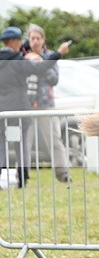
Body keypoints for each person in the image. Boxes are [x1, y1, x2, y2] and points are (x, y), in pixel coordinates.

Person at [0, 26, 54, 188]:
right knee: (20, 143)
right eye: (18, 41)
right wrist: (56, 55)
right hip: (19, 108)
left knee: (1, 143)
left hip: (1, 109)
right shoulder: (18, 62)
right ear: (13, 42)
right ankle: (22, 177)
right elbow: (40, 69)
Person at [22, 24, 72, 183]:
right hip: (26, 105)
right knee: (24, 142)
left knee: (54, 140)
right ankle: (22, 175)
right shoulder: (23, 57)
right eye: (32, 38)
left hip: (45, 104)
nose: (35, 41)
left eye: (38, 38)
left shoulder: (50, 57)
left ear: (43, 40)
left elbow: (54, 80)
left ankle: (63, 173)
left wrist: (42, 63)